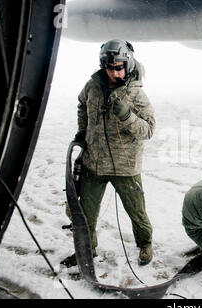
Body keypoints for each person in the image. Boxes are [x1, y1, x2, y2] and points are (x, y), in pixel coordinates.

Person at [61, 39, 156, 267]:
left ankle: (145, 244)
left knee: (137, 213)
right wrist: (82, 132)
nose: (114, 72)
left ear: (129, 63)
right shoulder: (92, 86)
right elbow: (82, 105)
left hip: (125, 167)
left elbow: (148, 130)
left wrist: (127, 116)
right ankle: (86, 250)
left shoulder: (136, 95)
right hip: (94, 163)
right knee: (85, 214)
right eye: (110, 67)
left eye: (119, 67)